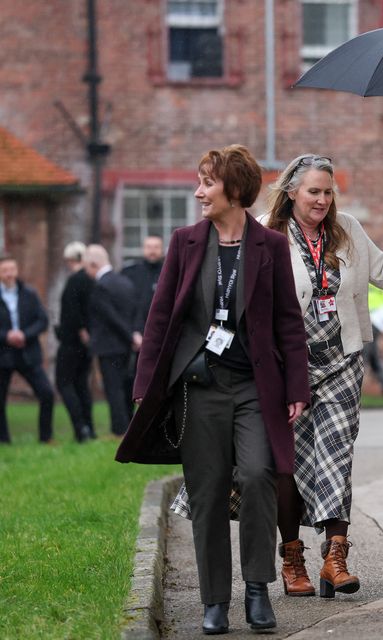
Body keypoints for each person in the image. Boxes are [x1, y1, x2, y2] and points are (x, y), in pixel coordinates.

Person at [115, 144, 310, 635]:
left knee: (259, 473)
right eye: (200, 181)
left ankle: (258, 590)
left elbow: (289, 321)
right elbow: (160, 317)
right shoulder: (185, 243)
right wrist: (145, 385)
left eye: (207, 182)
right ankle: (215, 602)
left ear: (235, 190)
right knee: (205, 493)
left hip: (253, 386)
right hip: (198, 389)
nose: (199, 191)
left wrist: (296, 385)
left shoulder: (269, 245)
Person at [261, 154, 383, 598]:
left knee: (336, 455)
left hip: (342, 360)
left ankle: (335, 556)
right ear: (291, 192)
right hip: (288, 366)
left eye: (328, 191)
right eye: (313, 191)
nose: (322, 200)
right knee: (289, 464)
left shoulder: (348, 230)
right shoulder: (265, 233)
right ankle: (292, 557)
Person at [83, 244, 138, 438]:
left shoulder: (101, 286)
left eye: (86, 267)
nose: (86, 272)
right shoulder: (125, 282)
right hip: (125, 345)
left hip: (109, 346)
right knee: (124, 386)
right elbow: (132, 313)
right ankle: (128, 426)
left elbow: (111, 317)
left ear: (93, 264)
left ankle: (120, 430)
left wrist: (129, 336)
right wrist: (133, 335)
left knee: (113, 388)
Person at [0, 256, 55, 444]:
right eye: (4, 270)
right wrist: (7, 335)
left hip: (28, 353)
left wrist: (24, 334)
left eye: (11, 269)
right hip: (3, 354)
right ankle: (3, 440)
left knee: (46, 393)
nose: (9, 274)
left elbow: (42, 320)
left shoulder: (29, 293)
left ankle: (46, 437)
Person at [56, 241, 95, 442]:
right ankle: (89, 427)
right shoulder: (90, 279)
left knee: (64, 382)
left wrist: (81, 331)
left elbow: (72, 311)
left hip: (72, 341)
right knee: (81, 385)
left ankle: (81, 428)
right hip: (86, 344)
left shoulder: (75, 281)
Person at [122, 235, 165, 410]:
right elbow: (125, 307)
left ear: (162, 249)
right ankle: (128, 420)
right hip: (135, 336)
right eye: (149, 246)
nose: (152, 250)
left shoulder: (168, 271)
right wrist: (133, 332)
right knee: (131, 378)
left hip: (161, 336)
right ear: (143, 248)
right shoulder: (130, 273)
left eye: (156, 247)